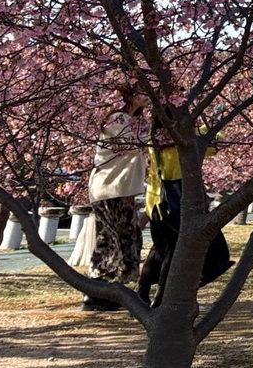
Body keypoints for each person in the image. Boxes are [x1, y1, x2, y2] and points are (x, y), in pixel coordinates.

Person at [137, 120, 233, 308]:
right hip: (178, 203)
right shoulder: (184, 137)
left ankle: (143, 292)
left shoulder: (153, 135)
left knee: (161, 249)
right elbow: (214, 145)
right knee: (179, 250)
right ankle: (161, 297)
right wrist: (217, 123)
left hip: (155, 202)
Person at [81, 83, 148, 312]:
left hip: (122, 188)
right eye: (142, 92)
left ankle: (110, 288)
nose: (147, 96)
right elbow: (133, 143)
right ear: (129, 95)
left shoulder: (136, 121)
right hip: (109, 187)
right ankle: (99, 289)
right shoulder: (118, 119)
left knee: (124, 236)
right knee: (114, 237)